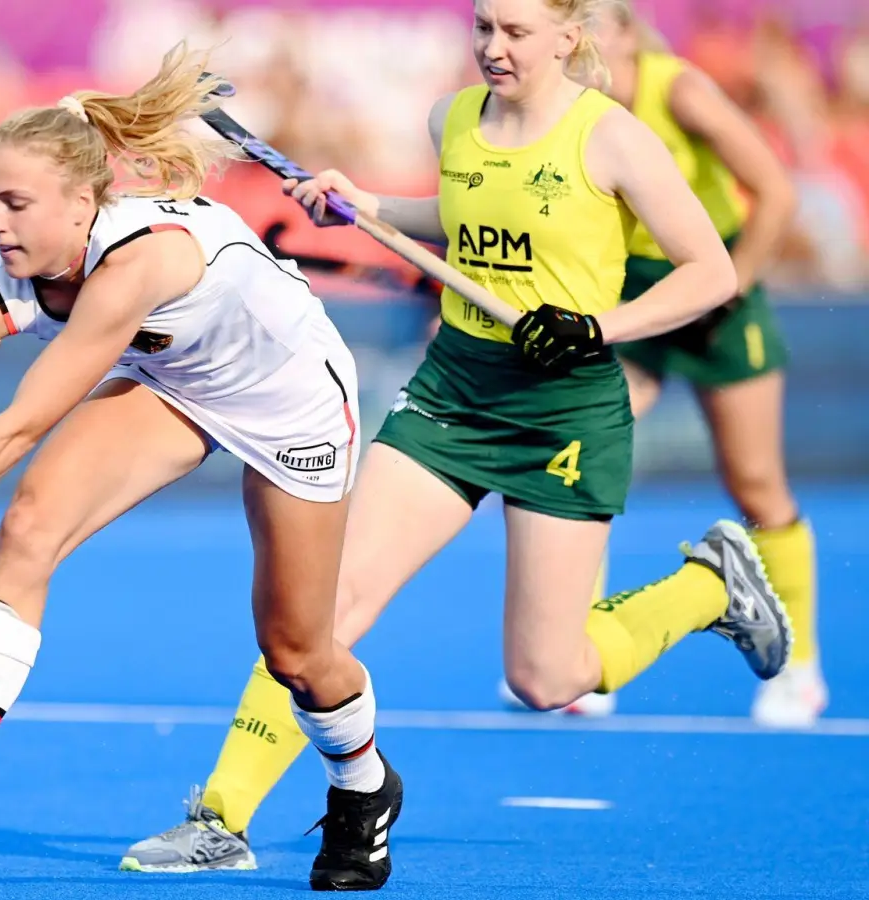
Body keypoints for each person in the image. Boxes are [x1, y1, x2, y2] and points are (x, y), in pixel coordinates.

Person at [118, 0, 792, 877]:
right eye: (483, 27)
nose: (494, 47)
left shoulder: (614, 138)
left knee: (547, 679)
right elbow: (466, 211)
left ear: (568, 36)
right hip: (454, 392)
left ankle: (709, 586)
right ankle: (221, 816)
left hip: (565, 412)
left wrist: (600, 326)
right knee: (322, 612)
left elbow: (713, 271)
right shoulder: (456, 118)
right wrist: (366, 205)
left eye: (515, 31)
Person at [0, 44, 406, 891]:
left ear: (82, 200)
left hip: (290, 399)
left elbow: (21, 423)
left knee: (295, 651)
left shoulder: (138, 261)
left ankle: (365, 785)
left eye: (16, 204)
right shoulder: (0, 278)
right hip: (176, 380)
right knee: (30, 523)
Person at [496, 0, 819, 728]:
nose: (579, 50)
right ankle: (579, 657)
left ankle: (800, 666)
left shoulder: (682, 92)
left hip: (719, 287)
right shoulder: (563, 102)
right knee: (576, 450)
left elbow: (776, 191)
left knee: (756, 480)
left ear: (627, 33)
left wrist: (729, 290)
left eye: (592, 32)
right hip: (629, 296)